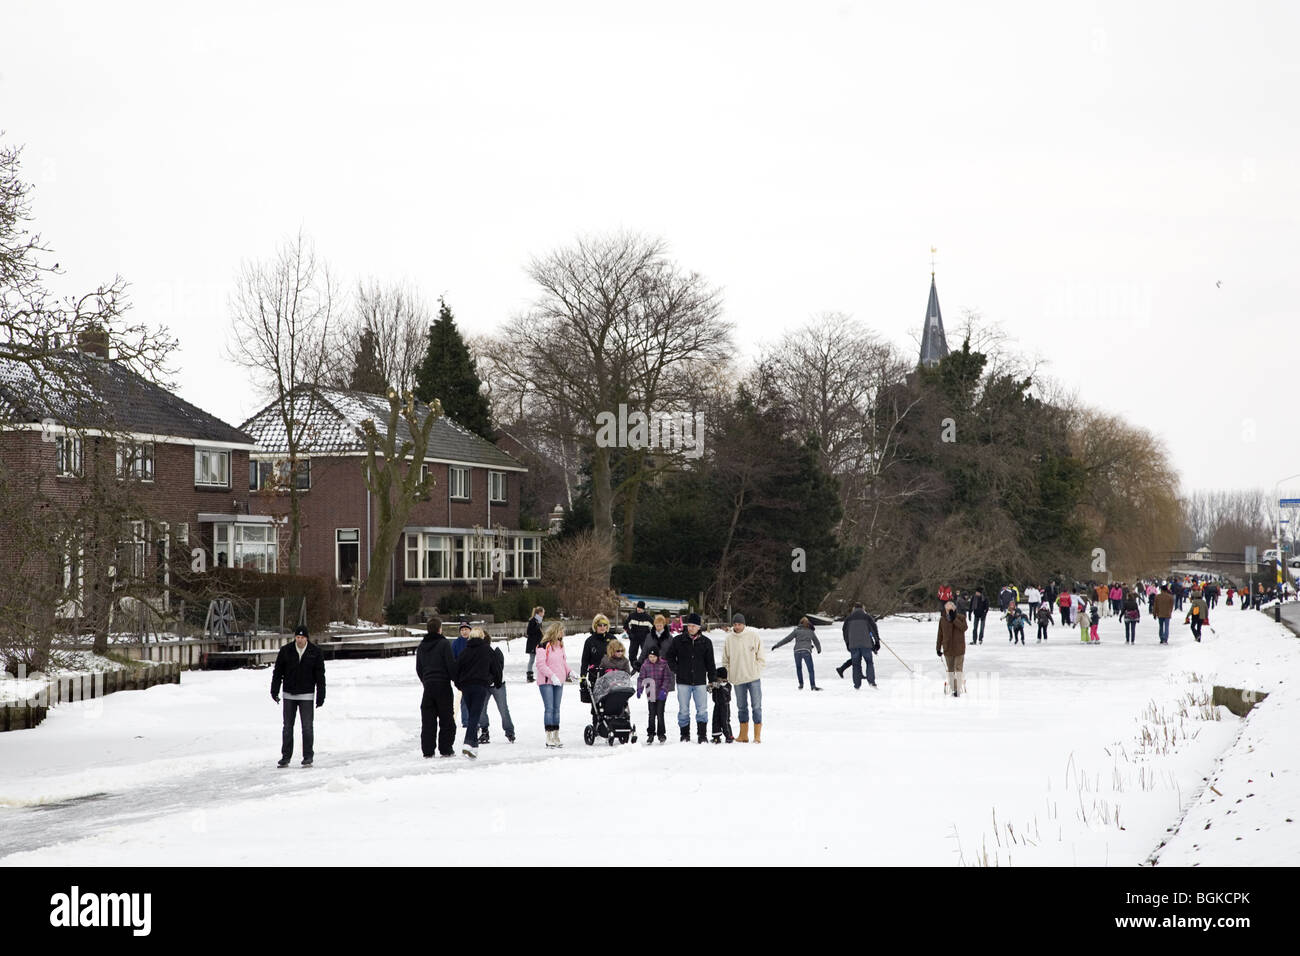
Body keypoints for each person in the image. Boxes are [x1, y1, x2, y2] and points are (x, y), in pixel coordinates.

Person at [271, 625, 326, 768]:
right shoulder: (286, 651)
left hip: (307, 695)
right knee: (287, 727)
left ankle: (308, 756)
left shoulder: (315, 652)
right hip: (289, 694)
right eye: (297, 637)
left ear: (306, 638)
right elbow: (278, 673)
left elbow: (320, 676)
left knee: (307, 727)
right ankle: (285, 757)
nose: (299, 640)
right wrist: (274, 690)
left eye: (302, 637)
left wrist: (321, 695)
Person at [664, 613, 716, 743]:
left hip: (699, 681)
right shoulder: (678, 640)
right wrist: (677, 669)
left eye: (694, 626)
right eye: (689, 625)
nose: (691, 628)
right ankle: (684, 735)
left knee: (702, 710)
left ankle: (702, 735)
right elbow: (669, 657)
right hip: (683, 681)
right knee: (683, 710)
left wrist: (712, 679)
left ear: (699, 627)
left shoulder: (706, 642)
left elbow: (710, 663)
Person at [416, 617, 458, 758]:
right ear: (440, 629)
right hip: (443, 686)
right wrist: (457, 680)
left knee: (428, 720)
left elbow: (419, 668)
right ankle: (446, 748)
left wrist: (426, 681)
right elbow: (450, 665)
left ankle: (428, 750)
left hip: (428, 687)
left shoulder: (422, 646)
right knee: (446, 719)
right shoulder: (444, 644)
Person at [454, 627, 499, 759]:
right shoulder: (487, 650)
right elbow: (496, 667)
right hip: (479, 685)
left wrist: (459, 684)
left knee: (472, 713)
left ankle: (474, 747)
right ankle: (468, 743)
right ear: (482, 637)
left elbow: (456, 669)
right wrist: (495, 681)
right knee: (474, 715)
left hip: (466, 686)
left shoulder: (465, 652)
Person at [721, 613, 766, 742]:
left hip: (753, 678)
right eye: (735, 624)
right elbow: (725, 659)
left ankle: (757, 735)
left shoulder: (753, 636)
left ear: (744, 624)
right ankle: (743, 734)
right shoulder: (729, 639)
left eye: (739, 624)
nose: (737, 626)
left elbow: (761, 656)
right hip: (738, 679)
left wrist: (756, 669)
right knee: (741, 707)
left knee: (756, 706)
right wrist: (730, 673)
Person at [533, 623, 573, 748]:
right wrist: (552, 676)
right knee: (549, 708)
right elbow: (540, 664)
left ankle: (556, 735)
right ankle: (549, 736)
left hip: (559, 682)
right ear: (555, 631)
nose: (563, 633)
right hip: (547, 682)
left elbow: (563, 662)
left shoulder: (560, 645)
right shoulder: (543, 646)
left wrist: (570, 672)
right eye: (561, 631)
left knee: (557, 709)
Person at [478, 639, 516, 744]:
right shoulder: (477, 651)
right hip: (484, 685)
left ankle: (509, 731)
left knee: (503, 708)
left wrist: (493, 679)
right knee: (481, 709)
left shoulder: (495, 650)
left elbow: (499, 668)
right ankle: (484, 730)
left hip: (497, 684)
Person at [772, 616, 823, 690]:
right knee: (810, 669)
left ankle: (801, 684)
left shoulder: (796, 631)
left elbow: (787, 639)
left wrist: (777, 645)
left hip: (797, 652)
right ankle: (813, 686)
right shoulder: (810, 631)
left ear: (800, 623)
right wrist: (819, 649)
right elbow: (816, 641)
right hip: (806, 651)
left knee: (799, 668)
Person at [636, 646, 674, 744]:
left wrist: (664, 690)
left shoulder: (664, 664)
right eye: (650, 656)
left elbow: (667, 678)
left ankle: (661, 734)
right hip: (651, 693)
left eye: (654, 656)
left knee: (660, 714)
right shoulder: (645, 665)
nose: (652, 659)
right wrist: (640, 688)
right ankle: (651, 734)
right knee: (652, 714)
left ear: (657, 656)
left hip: (661, 693)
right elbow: (641, 678)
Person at [838, 602, 880, 689]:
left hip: (853, 645)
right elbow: (873, 629)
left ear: (854, 608)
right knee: (869, 663)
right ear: (863, 608)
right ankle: (871, 682)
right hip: (866, 644)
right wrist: (877, 642)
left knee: (856, 664)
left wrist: (847, 643)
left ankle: (857, 685)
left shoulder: (848, 619)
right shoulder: (867, 617)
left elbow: (845, 632)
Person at [936, 601, 967, 697]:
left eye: (950, 609)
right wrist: (938, 648)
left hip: (959, 648)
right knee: (950, 670)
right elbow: (940, 634)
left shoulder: (961, 617)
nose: (948, 611)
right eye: (947, 609)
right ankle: (954, 689)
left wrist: (954, 619)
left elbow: (964, 628)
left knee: (958, 668)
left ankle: (957, 690)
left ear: (954, 608)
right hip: (948, 648)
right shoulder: (942, 620)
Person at [580, 614, 614, 695]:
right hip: (595, 676)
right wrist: (583, 677)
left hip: (610, 676)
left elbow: (619, 657)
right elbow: (585, 661)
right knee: (596, 705)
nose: (602, 627)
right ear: (595, 626)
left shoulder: (612, 639)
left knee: (610, 704)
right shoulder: (589, 641)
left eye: (604, 625)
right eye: (600, 625)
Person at [622, 601, 654, 672]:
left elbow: (654, 629)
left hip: (644, 639)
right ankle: (635, 666)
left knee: (645, 654)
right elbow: (626, 626)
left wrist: (650, 637)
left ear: (643, 609)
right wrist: (630, 634)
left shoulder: (648, 618)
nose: (639, 609)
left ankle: (644, 666)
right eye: (638, 607)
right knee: (632, 654)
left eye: (641, 608)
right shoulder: (632, 616)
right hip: (634, 638)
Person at [709, 666, 734, 744]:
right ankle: (716, 737)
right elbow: (709, 689)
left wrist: (717, 685)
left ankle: (729, 736)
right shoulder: (716, 685)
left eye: (717, 677)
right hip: (717, 705)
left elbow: (724, 690)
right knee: (715, 720)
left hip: (725, 706)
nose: (716, 679)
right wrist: (710, 687)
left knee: (725, 721)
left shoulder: (728, 685)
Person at [524, 606, 545, 682]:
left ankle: (544, 674)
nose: (543, 614)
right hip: (532, 644)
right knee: (532, 660)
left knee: (541, 659)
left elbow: (539, 633)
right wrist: (537, 627)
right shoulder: (532, 620)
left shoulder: (539, 621)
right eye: (543, 612)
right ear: (539, 613)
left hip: (539, 644)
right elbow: (529, 632)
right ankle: (529, 676)